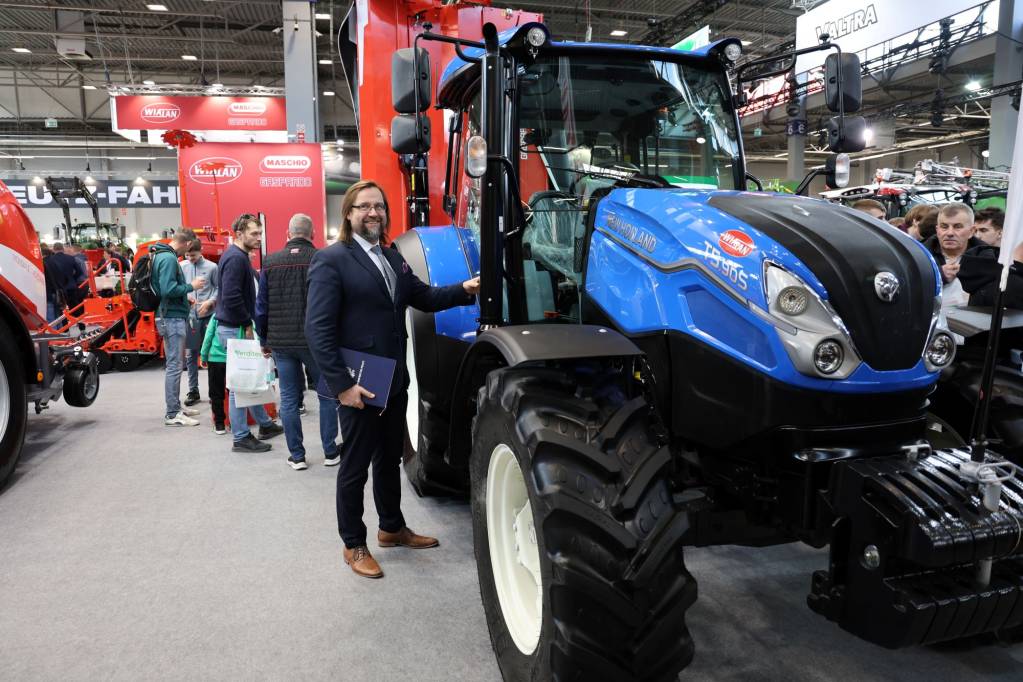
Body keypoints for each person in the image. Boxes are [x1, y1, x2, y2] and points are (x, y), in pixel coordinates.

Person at [306, 180, 480, 579]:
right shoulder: (331, 260)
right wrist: (342, 386)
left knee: (389, 459)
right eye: (365, 206)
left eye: (379, 206)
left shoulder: (391, 257)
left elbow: (425, 297)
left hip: (394, 381)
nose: (374, 213)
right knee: (355, 467)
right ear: (348, 213)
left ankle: (391, 527)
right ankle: (353, 543)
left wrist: (466, 289)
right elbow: (317, 330)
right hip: (360, 383)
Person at [255, 213, 340, 471]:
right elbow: (335, 302)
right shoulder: (324, 259)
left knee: (290, 399)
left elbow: (261, 307)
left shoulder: (270, 262)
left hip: (282, 343)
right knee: (327, 396)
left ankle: (297, 456)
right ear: (312, 234)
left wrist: (264, 339)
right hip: (317, 342)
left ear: (288, 234)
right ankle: (330, 451)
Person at [215, 213, 284, 453]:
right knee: (240, 384)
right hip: (235, 327)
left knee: (250, 379)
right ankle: (241, 437)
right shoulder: (236, 258)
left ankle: (264, 424)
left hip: (234, 326)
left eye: (260, 233)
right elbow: (232, 296)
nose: (259, 238)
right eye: (254, 233)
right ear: (239, 233)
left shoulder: (237, 256)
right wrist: (246, 323)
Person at [151, 230, 207, 426]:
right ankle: (173, 413)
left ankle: (175, 407)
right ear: (188, 243)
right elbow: (167, 289)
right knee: (175, 366)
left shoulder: (161, 255)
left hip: (170, 314)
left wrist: (184, 297)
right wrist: (191, 286)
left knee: (174, 364)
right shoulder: (168, 258)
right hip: (171, 318)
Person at [179, 239, 219, 407]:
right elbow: (180, 287)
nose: (190, 259)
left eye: (193, 255)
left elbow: (219, 288)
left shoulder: (212, 267)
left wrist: (210, 301)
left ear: (200, 251)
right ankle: (193, 390)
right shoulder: (182, 266)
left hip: (208, 317)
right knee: (191, 355)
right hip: (191, 318)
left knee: (211, 354)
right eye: (187, 255)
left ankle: (214, 392)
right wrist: (185, 298)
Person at [199, 316, 229, 435]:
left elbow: (208, 336)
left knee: (216, 393)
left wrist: (203, 355)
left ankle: (219, 424)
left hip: (215, 358)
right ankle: (236, 423)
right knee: (234, 393)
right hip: (235, 358)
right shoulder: (243, 314)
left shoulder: (216, 316)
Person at [47, 241, 86, 312]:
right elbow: (80, 271)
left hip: (59, 288)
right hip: (71, 286)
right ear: (63, 249)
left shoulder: (50, 260)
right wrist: (73, 278)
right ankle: (77, 318)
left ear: (53, 250)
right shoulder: (71, 258)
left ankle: (65, 319)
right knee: (74, 307)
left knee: (61, 310)